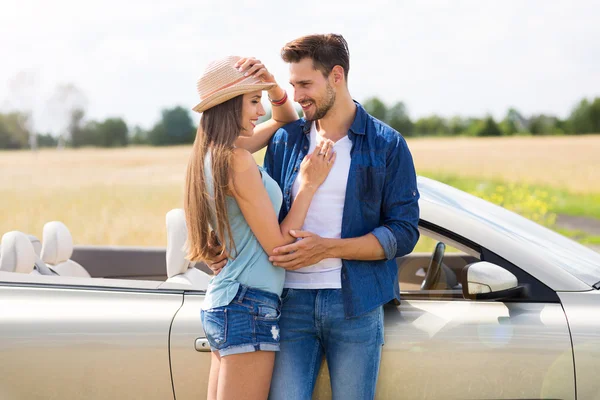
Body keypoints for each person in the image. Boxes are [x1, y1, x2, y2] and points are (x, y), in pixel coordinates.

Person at [210, 34, 421, 399]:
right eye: (292, 85)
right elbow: (259, 209)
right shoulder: (285, 140)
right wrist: (221, 242)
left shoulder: (387, 144)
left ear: (336, 76)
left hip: (356, 304)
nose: (297, 95)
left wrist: (327, 249)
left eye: (305, 84)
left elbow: (403, 232)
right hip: (287, 303)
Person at [185, 55, 336, 400]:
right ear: (228, 105)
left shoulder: (215, 153)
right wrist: (308, 184)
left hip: (229, 300)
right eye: (253, 101)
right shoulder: (236, 159)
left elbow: (286, 119)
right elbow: (279, 249)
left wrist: (270, 85)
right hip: (248, 304)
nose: (259, 111)